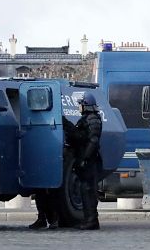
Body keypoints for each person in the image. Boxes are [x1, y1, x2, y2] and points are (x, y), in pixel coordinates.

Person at [64, 93, 103, 230]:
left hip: (89, 161)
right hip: (85, 159)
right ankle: (89, 220)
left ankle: (92, 221)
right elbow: (79, 136)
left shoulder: (93, 119)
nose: (79, 107)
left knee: (88, 191)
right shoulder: (86, 119)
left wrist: (85, 159)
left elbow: (93, 141)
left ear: (86, 105)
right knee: (85, 190)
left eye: (81, 104)